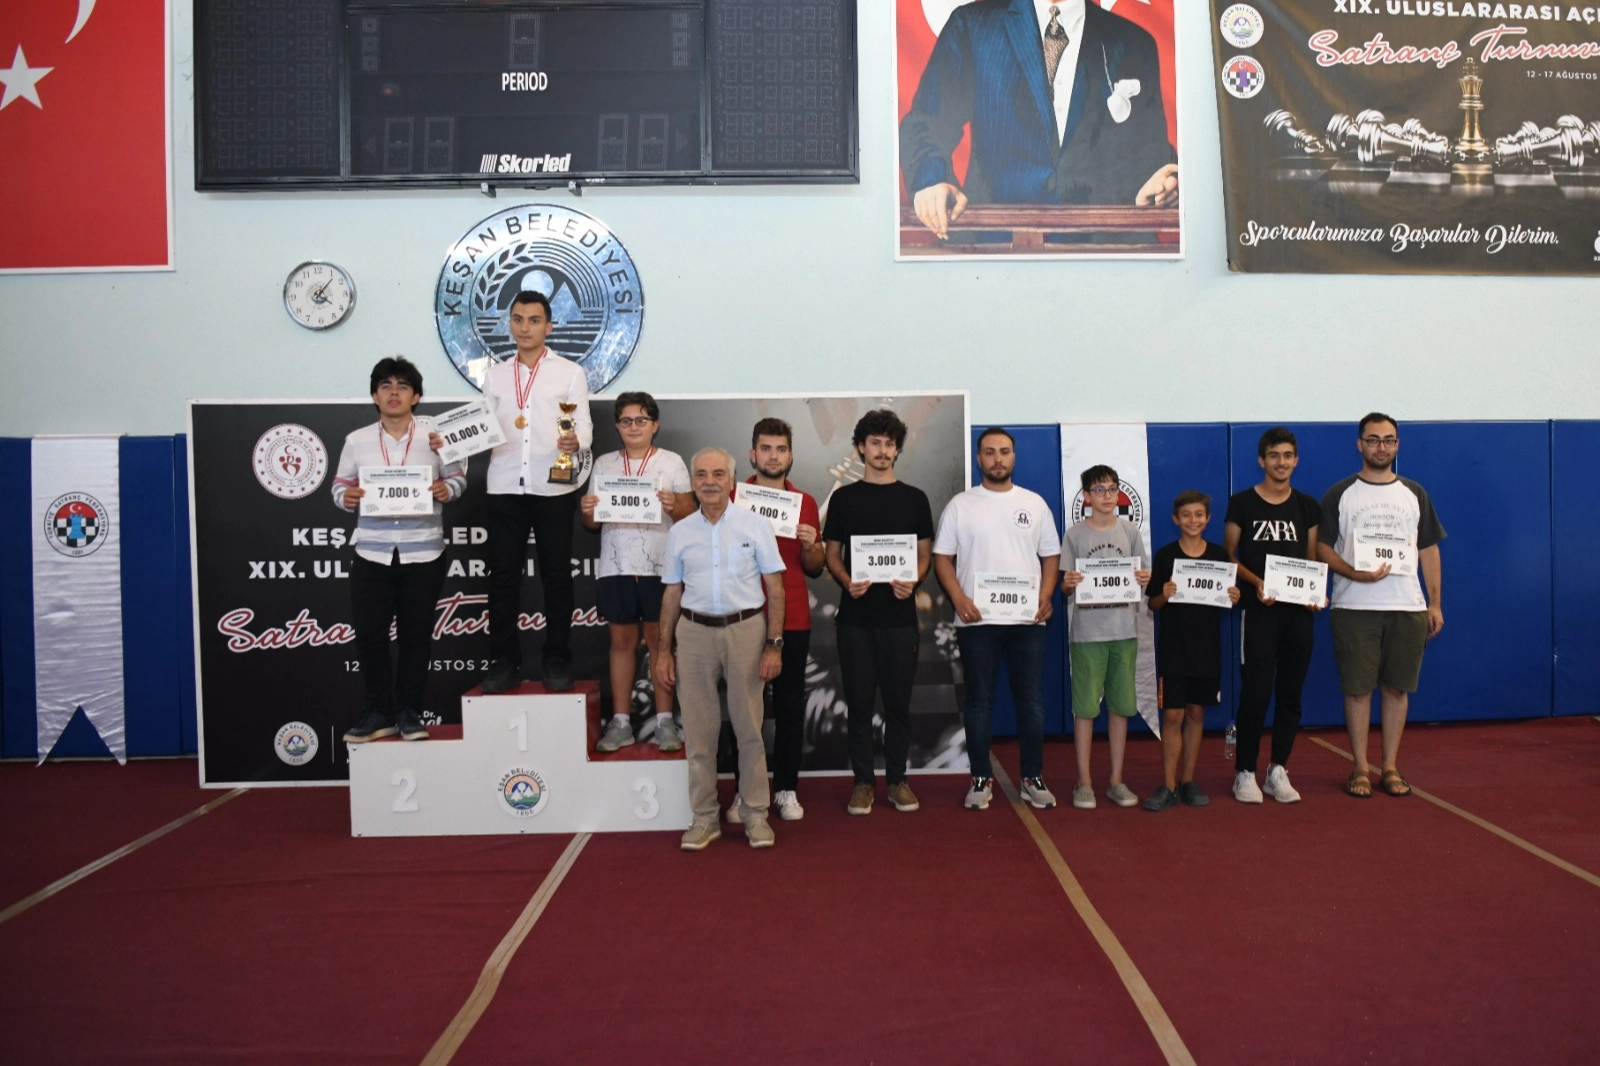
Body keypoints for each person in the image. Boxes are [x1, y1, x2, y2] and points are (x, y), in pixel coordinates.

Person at [899, 0, 1179, 240]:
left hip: (1105, 250)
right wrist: (931, 181)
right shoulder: (972, 25)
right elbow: (925, 125)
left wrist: (1165, 181)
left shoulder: (1133, 42)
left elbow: (1151, 153)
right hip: (995, 245)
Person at [440, 290, 592, 695]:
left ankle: (557, 658)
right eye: (518, 319)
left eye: (534, 320)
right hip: (505, 485)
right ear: (510, 324)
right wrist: (450, 440)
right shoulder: (495, 375)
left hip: (553, 486)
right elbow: (481, 427)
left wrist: (575, 441)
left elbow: (584, 426)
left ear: (549, 327)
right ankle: (503, 662)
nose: (525, 328)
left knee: (556, 577)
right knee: (503, 578)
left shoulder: (569, 373)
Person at [656, 447, 787, 851]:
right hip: (693, 635)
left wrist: (774, 645)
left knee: (749, 730)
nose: (709, 482)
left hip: (746, 631)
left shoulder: (755, 525)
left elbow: (776, 588)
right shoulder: (680, 532)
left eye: (718, 474)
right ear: (692, 481)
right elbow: (672, 593)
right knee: (699, 735)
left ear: (732, 481)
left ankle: (755, 815)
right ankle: (704, 818)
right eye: (701, 474)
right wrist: (663, 650)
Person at [334, 357, 467, 743]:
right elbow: (339, 486)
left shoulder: (437, 437)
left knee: (416, 636)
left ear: (417, 396)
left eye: (403, 386)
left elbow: (458, 479)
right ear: (375, 396)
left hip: (423, 553)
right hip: (371, 553)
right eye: (386, 386)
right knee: (369, 635)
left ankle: (409, 711)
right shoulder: (357, 440)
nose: (394, 393)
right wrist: (347, 497)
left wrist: (446, 489)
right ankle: (378, 711)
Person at [1317, 414, 1445, 799]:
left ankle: (1389, 766)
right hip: (1354, 607)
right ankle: (1360, 766)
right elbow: (1322, 547)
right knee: (1358, 690)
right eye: (1373, 440)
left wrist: (1435, 603)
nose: (1381, 447)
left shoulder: (1414, 493)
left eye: (1388, 440)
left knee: (1396, 689)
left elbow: (1428, 549)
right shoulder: (1340, 494)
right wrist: (1353, 573)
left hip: (1407, 607)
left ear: (1397, 445)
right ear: (1360, 444)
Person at [932, 428, 1061, 811]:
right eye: (990, 452)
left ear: (1014, 457)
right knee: (978, 702)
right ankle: (980, 778)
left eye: (1004, 451)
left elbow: (1051, 555)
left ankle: (1032, 778)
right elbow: (942, 558)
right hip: (976, 622)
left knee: (1031, 702)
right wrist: (959, 599)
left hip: (1027, 622)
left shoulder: (1034, 504)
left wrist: (1045, 595)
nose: (998, 458)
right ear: (979, 459)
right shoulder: (961, 505)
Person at [823, 409, 935, 816]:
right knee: (858, 704)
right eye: (875, 443)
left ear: (897, 450)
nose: (883, 451)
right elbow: (832, 555)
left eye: (889, 444)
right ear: (861, 448)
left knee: (898, 705)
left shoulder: (915, 498)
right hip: (855, 620)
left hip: (899, 621)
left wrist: (914, 581)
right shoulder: (843, 499)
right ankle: (863, 783)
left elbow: (923, 556)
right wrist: (846, 580)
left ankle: (898, 781)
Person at [579, 392, 695, 753]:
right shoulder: (604, 464)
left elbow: (690, 515)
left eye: (641, 420)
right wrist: (587, 510)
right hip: (616, 566)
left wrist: (673, 505)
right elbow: (592, 524)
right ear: (617, 426)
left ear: (655, 425)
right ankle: (621, 722)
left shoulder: (672, 462)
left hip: (662, 567)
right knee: (621, 644)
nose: (634, 427)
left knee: (662, 643)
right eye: (626, 421)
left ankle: (664, 721)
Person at [725, 418, 824, 823]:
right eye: (765, 448)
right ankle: (744, 791)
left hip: (793, 618)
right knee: (743, 712)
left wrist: (811, 545)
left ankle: (786, 789)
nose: (773, 456)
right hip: (742, 615)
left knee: (788, 709)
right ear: (753, 454)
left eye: (780, 449)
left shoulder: (806, 503)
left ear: (791, 456)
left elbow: (814, 566)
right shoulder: (733, 497)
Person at [1224, 427, 1324, 804]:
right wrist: (1257, 583)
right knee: (1255, 692)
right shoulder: (1242, 503)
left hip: (1298, 614)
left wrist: (1313, 593)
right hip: (1258, 612)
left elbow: (1310, 559)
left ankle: (1278, 769)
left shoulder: (1307, 506)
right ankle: (1244, 771)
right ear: (1261, 460)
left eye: (1288, 456)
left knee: (1290, 694)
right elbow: (1229, 556)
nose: (1281, 462)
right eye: (1274, 456)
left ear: (1296, 460)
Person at [1061, 464, 1151, 810]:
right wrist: (1068, 584)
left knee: (1120, 707)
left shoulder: (1130, 531)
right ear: (1086, 496)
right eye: (1099, 490)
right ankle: (1083, 781)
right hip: (1087, 634)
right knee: (1085, 709)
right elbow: (1066, 584)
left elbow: (1143, 573)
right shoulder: (1075, 535)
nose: (1107, 495)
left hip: (1124, 631)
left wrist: (1143, 578)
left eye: (1112, 489)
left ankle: (1116, 779)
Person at [1144, 491, 1239, 811]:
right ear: (1176, 519)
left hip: (1206, 648)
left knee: (1197, 712)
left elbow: (1227, 598)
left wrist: (1233, 596)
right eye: (1186, 515)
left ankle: (1187, 780)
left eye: (1199, 514)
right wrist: (1164, 594)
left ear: (1208, 518)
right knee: (1173, 714)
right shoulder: (1166, 555)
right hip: (1173, 648)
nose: (1193, 520)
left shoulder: (1219, 556)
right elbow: (1152, 604)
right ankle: (1168, 784)